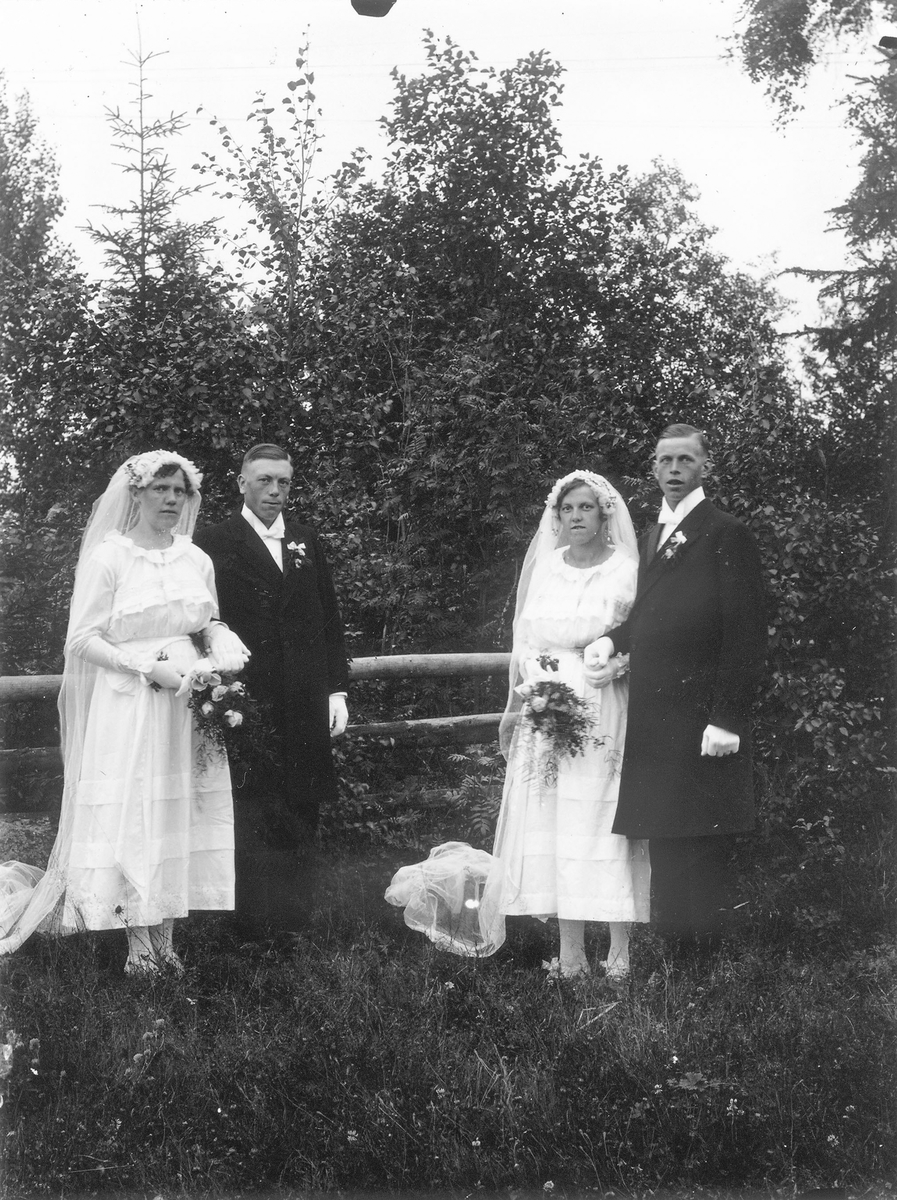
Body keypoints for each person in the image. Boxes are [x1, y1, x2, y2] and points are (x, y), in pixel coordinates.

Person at [386, 471, 650, 979]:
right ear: (557, 516)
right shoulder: (548, 567)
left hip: (603, 705)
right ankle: (571, 954)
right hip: (546, 707)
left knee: (601, 820)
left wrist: (618, 664)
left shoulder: (626, 569)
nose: (576, 517)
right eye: (567, 508)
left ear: (605, 514)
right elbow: (526, 639)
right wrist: (536, 683)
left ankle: (619, 952)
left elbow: (644, 636)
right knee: (556, 820)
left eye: (586, 508)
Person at [0, 451, 249, 974]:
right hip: (131, 699)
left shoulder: (195, 557)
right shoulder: (109, 558)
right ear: (136, 494)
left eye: (180, 491)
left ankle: (167, 940)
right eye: (160, 489)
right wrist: (144, 666)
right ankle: (139, 945)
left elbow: (205, 618)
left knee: (178, 811)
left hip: (186, 702)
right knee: (137, 811)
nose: (171, 500)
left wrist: (219, 637)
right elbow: (81, 639)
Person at [584, 423, 766, 955]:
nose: (674, 470)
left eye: (685, 459)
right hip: (655, 711)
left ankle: (702, 960)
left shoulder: (726, 532)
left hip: (701, 712)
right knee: (665, 833)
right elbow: (648, 616)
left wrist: (727, 716)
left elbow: (746, 633)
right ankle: (675, 954)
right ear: (654, 468)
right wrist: (611, 640)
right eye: (665, 460)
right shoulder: (653, 534)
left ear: (705, 466)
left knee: (701, 838)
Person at [193, 444, 349, 937]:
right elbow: (199, 618)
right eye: (264, 480)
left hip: (304, 697)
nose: (275, 491)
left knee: (302, 804)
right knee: (252, 806)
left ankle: (296, 923)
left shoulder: (305, 539)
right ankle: (249, 928)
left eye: (283, 481)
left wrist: (336, 691)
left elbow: (328, 618)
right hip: (246, 699)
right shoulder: (213, 541)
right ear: (242, 483)